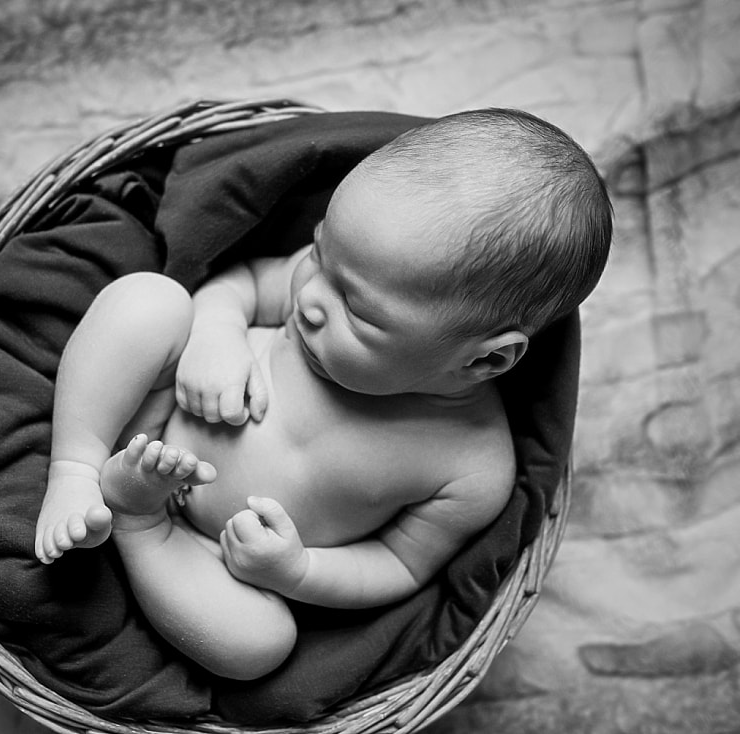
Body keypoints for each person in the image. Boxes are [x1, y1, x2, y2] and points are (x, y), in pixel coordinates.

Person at [34, 108, 612, 680]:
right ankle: (77, 467)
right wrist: (216, 333)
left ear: (484, 359)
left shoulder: (472, 469)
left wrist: (298, 572)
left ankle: (134, 522)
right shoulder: (330, 278)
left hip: (209, 559)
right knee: (150, 301)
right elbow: (238, 285)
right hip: (153, 410)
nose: (310, 297)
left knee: (259, 646)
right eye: (317, 252)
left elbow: (399, 566)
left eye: (356, 311)